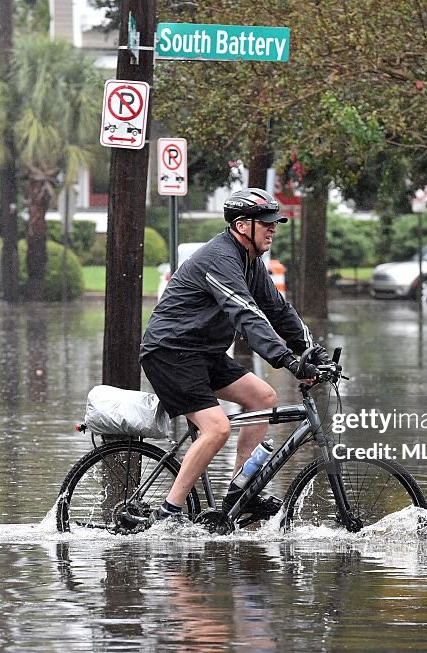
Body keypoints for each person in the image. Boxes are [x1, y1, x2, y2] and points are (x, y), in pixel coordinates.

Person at [137, 187, 330, 529]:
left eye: (275, 222)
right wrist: (287, 360)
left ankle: (241, 492)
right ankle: (168, 511)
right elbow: (247, 314)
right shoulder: (221, 259)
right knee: (217, 428)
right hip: (171, 352)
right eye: (267, 222)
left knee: (263, 397)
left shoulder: (250, 261)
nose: (273, 228)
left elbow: (277, 309)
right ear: (243, 226)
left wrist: (313, 352)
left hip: (203, 352)